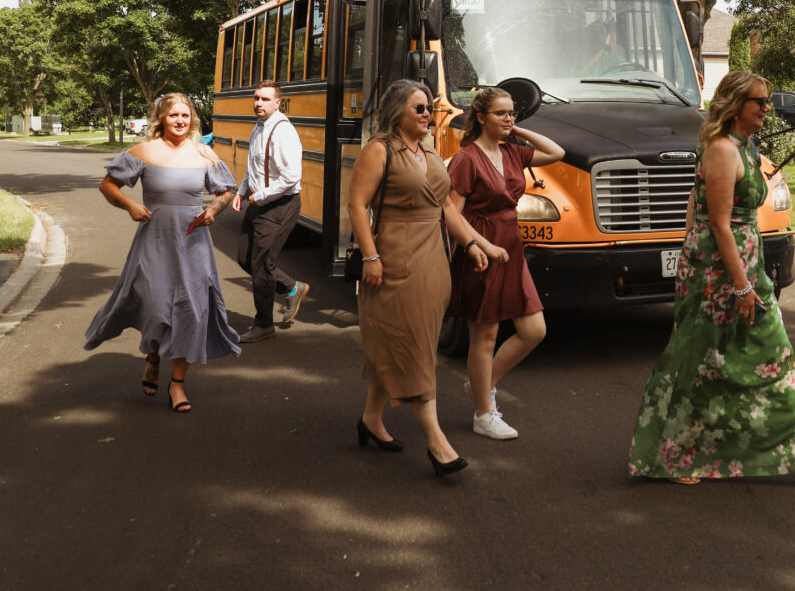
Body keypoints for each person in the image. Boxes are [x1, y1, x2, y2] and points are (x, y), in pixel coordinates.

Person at [628, 70, 795, 486]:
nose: (765, 108)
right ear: (736, 104)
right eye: (758, 101)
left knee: (765, 362)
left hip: (740, 263)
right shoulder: (722, 149)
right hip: (719, 273)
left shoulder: (742, 147)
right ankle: (673, 456)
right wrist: (738, 285)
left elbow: (695, 200)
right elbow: (718, 223)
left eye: (766, 100)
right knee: (703, 360)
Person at [348, 80, 508, 477]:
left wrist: (476, 245)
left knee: (401, 342)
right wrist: (371, 256)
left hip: (432, 259)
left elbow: (447, 209)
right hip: (394, 259)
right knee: (415, 348)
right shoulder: (379, 149)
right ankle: (437, 444)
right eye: (419, 108)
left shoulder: (430, 150)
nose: (427, 115)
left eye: (429, 109)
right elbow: (356, 203)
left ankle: (371, 418)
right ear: (397, 111)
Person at [84, 93, 240, 412]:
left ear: (192, 119)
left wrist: (214, 209)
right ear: (161, 119)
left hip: (193, 242)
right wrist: (129, 205)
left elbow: (225, 192)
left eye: (185, 115)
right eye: (173, 116)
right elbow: (108, 185)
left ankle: (178, 385)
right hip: (155, 240)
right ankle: (153, 355)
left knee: (192, 312)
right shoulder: (144, 151)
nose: (180, 121)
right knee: (156, 308)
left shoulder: (203, 153)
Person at [447, 86, 565, 439]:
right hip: (481, 247)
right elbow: (452, 212)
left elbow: (556, 151)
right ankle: (484, 413)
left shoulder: (513, 152)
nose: (509, 118)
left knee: (534, 331)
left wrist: (517, 131)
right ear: (481, 117)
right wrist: (475, 246)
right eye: (501, 113)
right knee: (485, 336)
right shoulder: (466, 158)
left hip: (511, 247)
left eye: (512, 113)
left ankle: (483, 384)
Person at [231, 80, 309, 343]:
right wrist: (241, 192)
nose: (258, 103)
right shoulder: (258, 128)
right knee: (245, 258)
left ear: (277, 103)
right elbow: (253, 167)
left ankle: (263, 324)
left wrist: (258, 195)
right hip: (257, 202)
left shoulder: (283, 132)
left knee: (262, 265)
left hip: (278, 205)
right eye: (256, 98)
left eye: (265, 99)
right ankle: (291, 287)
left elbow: (291, 177)